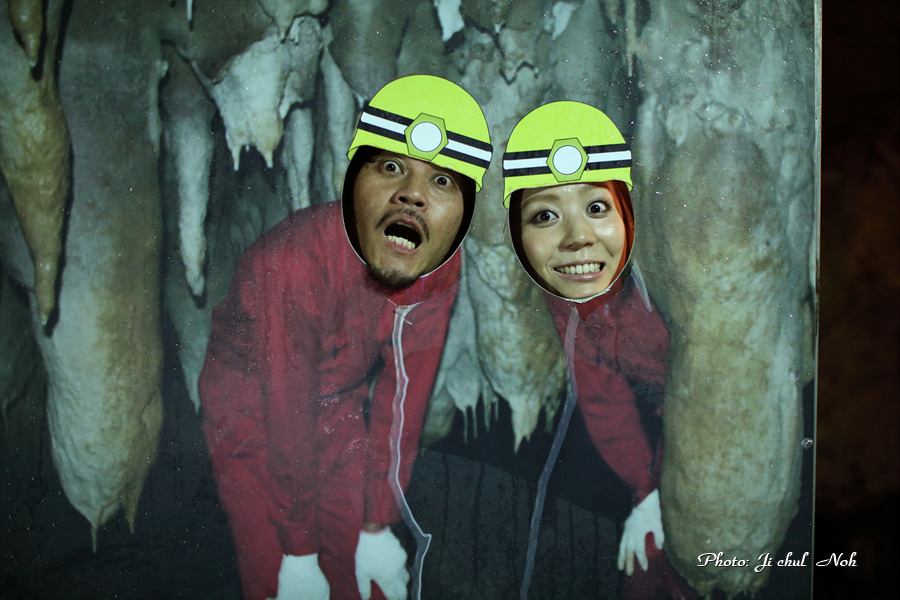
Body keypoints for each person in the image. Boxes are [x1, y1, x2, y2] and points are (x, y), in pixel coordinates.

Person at [198, 74, 492, 600]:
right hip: (252, 406)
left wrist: (377, 524)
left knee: (360, 568)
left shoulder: (438, 265)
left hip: (341, 394)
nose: (412, 196)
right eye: (391, 167)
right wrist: (298, 552)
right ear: (354, 175)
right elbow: (286, 408)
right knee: (281, 575)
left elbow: (403, 398)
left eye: (443, 181)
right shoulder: (293, 263)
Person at [503, 101, 692, 599]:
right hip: (654, 418)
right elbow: (603, 400)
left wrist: (663, 487)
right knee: (644, 568)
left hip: (707, 418)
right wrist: (645, 492)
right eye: (546, 215)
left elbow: (712, 386)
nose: (577, 238)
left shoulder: (669, 273)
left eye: (596, 207)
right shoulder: (569, 294)